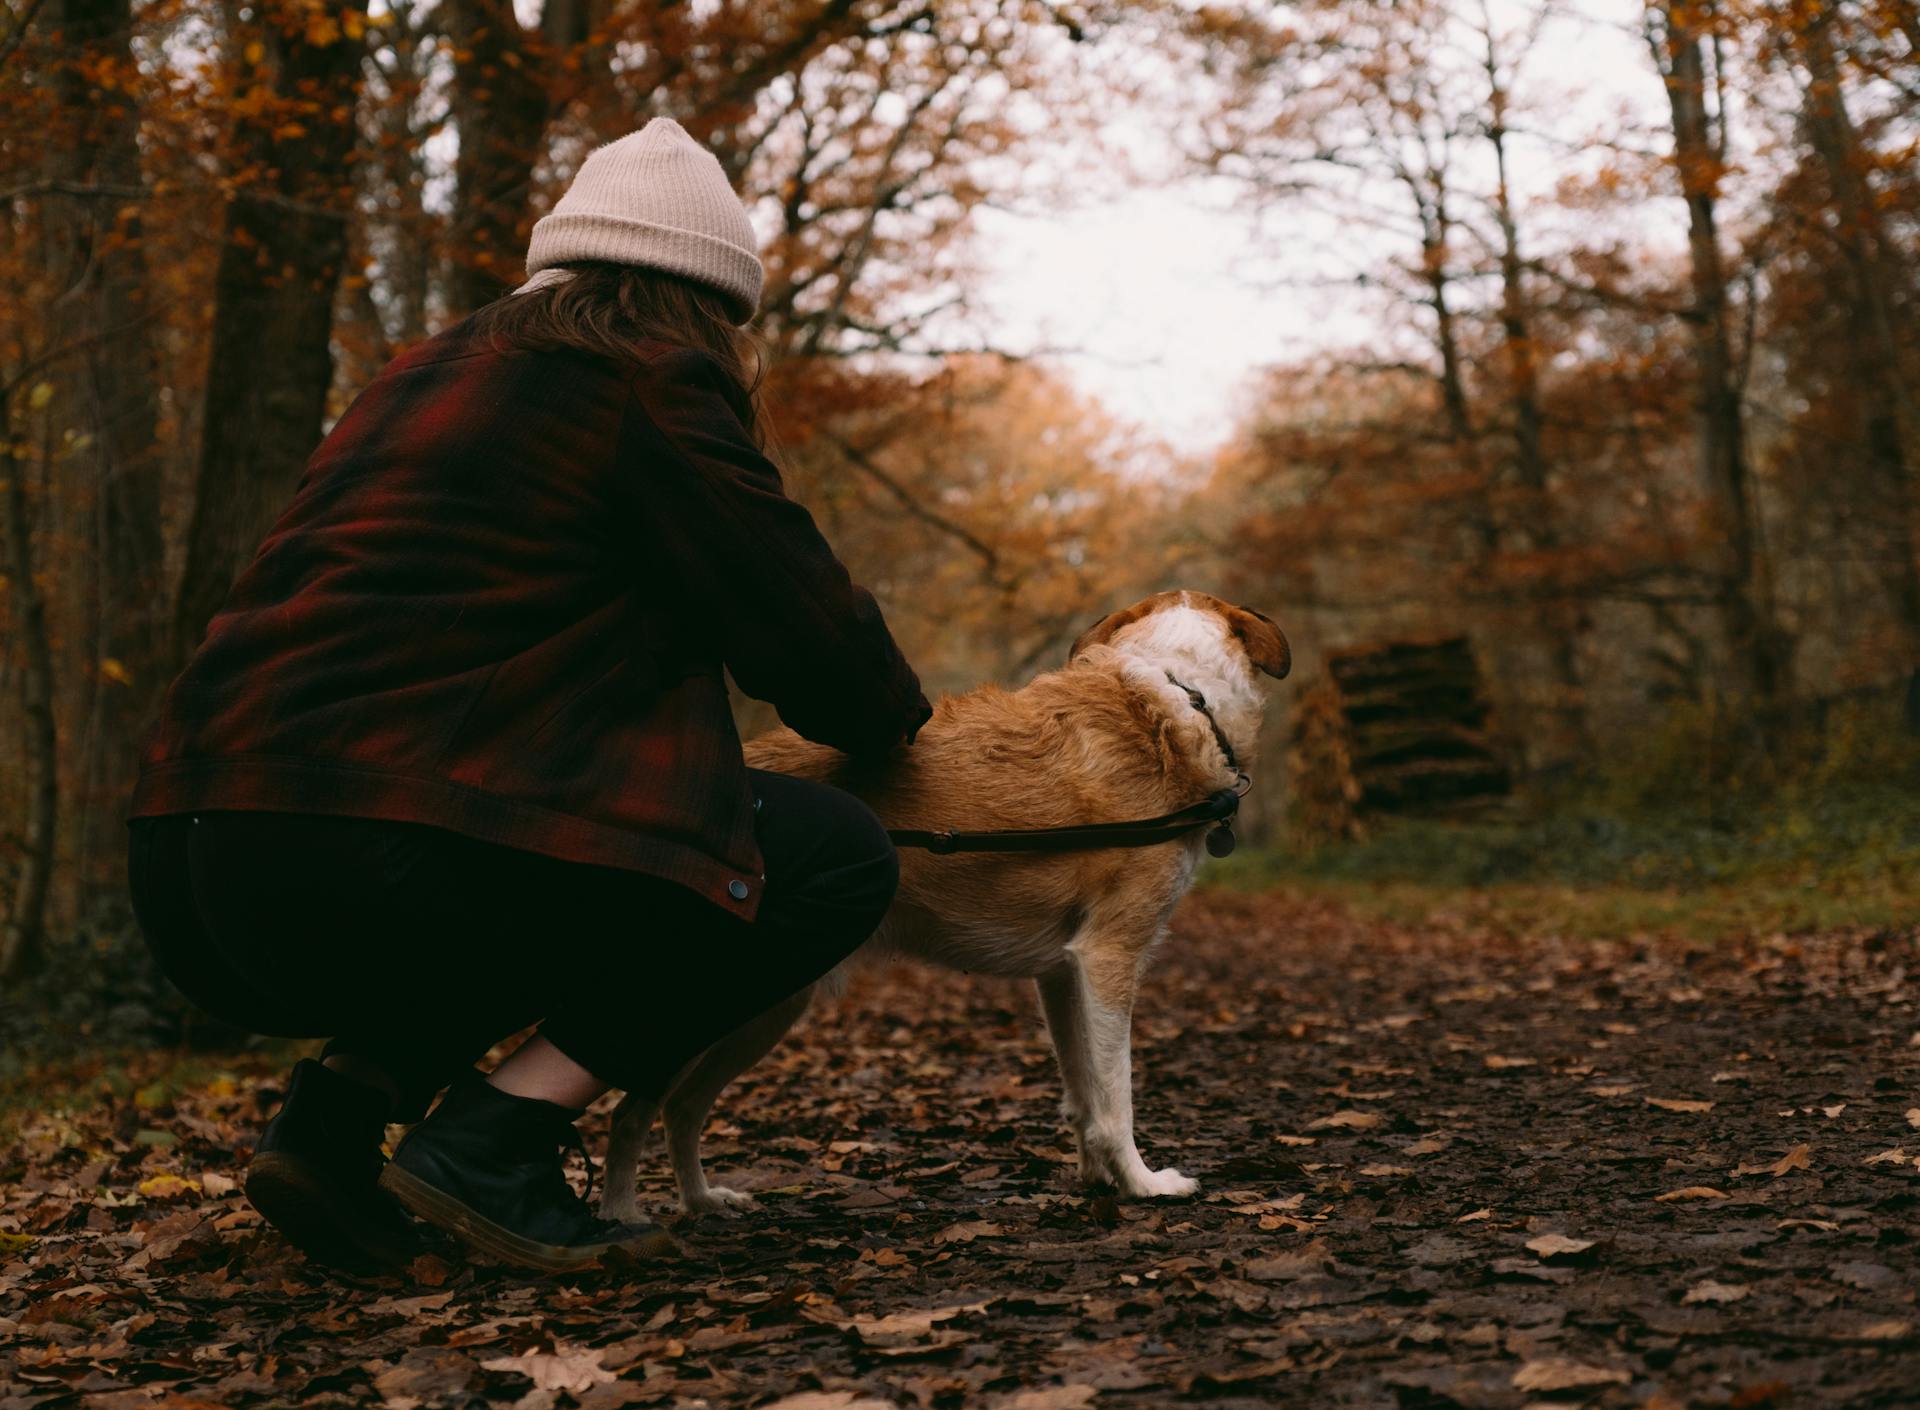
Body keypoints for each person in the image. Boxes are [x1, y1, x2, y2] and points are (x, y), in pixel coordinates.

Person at [125, 119, 931, 1274]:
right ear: (709, 304)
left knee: (536, 836)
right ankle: (498, 1141)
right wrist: (903, 722)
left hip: (194, 860)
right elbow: (821, 651)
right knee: (826, 855)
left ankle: (335, 1128)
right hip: (366, 858)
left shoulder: (423, 374)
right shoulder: (646, 380)